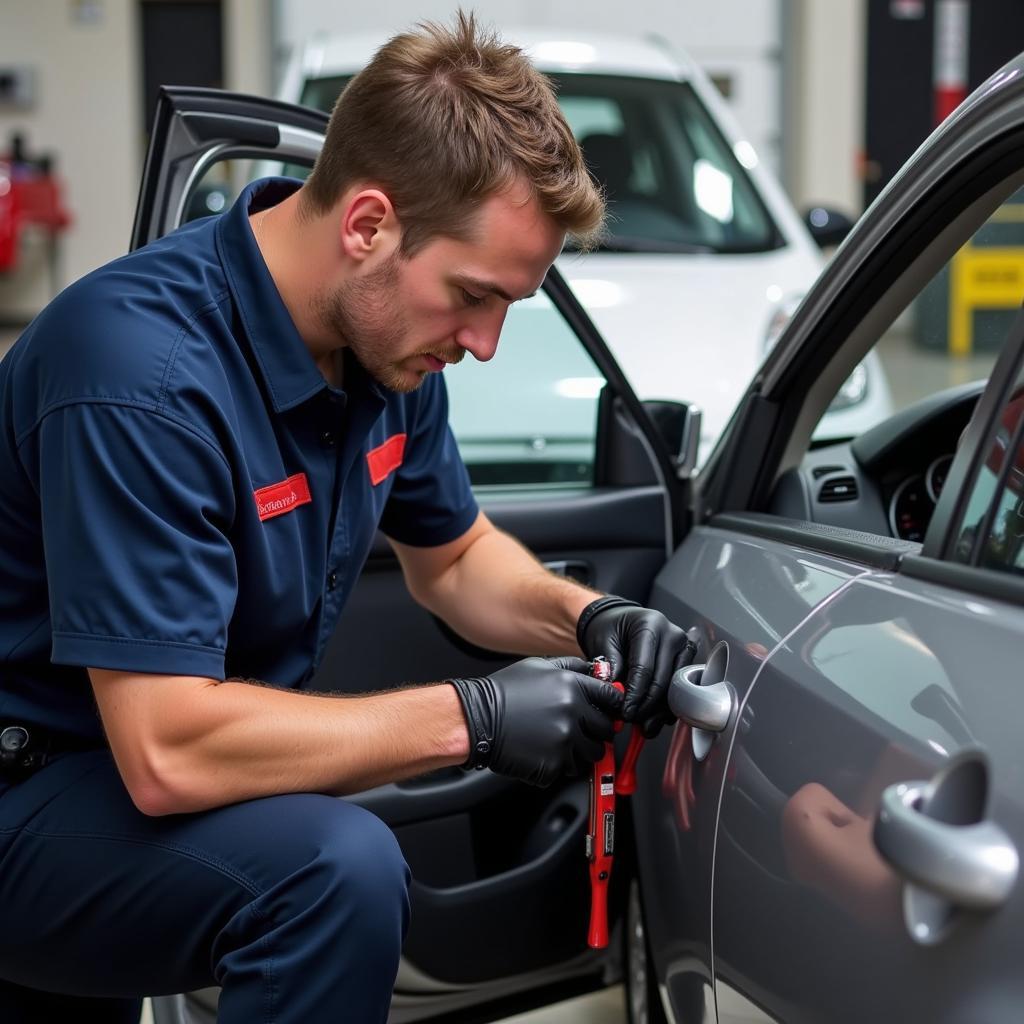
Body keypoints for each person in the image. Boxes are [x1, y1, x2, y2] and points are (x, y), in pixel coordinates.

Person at [0, 13, 692, 1022]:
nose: (485, 343)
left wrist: (583, 619)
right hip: (32, 789)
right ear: (367, 224)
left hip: (112, 789)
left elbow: (451, 559)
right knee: (333, 870)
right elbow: (170, 749)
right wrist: (476, 716)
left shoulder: (386, 348)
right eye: (471, 296)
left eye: (509, 306)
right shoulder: (139, 375)